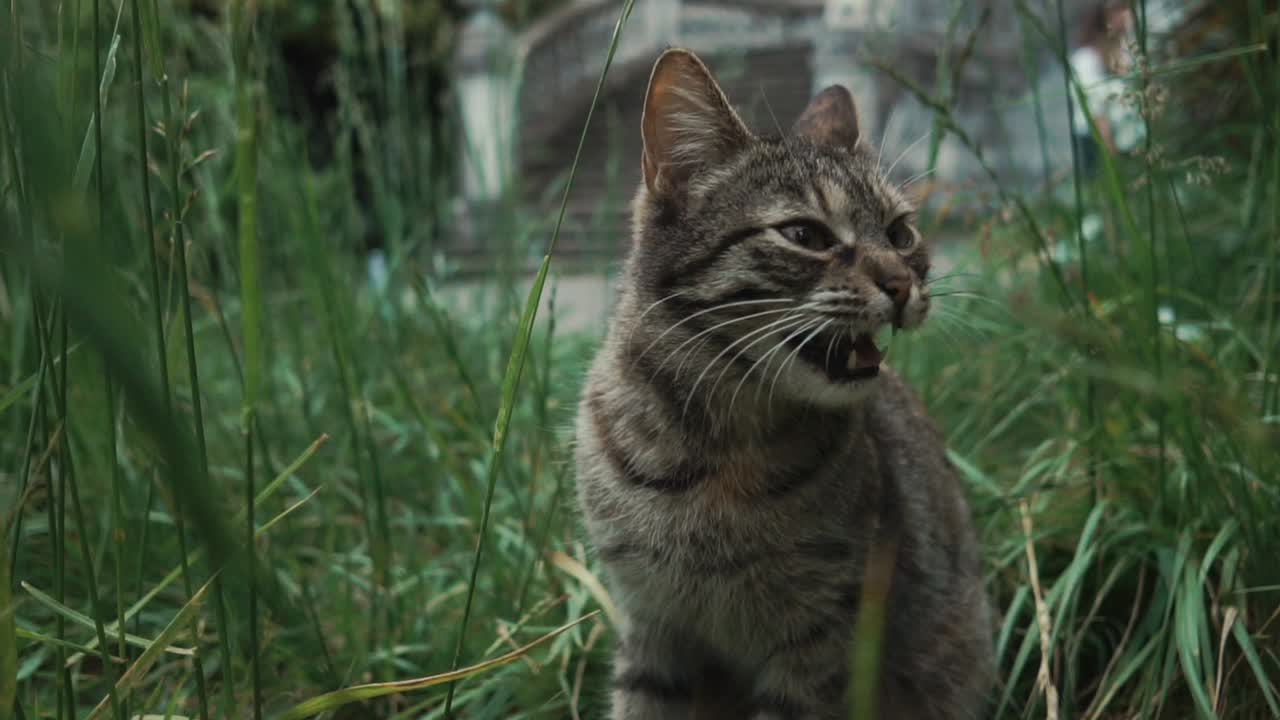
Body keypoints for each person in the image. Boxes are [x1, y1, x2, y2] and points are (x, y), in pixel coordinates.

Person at [1069, 1, 1134, 176]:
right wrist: (1109, 148)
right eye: (1117, 10)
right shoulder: (1086, 59)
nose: (1125, 15)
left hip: (1127, 135)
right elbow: (1094, 109)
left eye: (1127, 8)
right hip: (1098, 141)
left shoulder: (1127, 48)